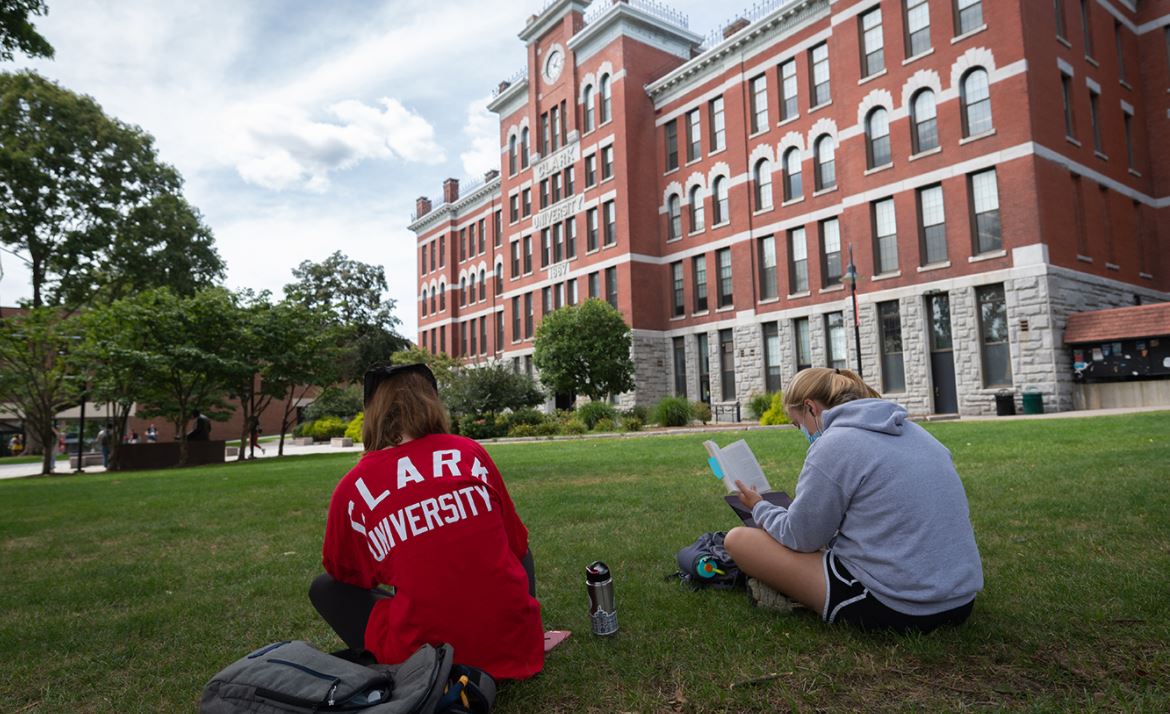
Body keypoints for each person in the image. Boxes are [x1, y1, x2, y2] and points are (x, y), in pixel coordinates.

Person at [310, 363, 543, 680]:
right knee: (517, 548)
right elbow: (517, 546)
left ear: (373, 414)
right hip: (518, 651)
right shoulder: (469, 452)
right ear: (432, 403)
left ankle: (403, 664)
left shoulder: (354, 487)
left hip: (428, 665)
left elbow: (344, 574)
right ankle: (518, 633)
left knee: (325, 588)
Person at [725, 367, 983, 633]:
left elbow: (800, 538)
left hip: (899, 606)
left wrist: (759, 507)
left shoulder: (834, 444)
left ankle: (791, 594)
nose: (800, 431)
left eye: (796, 423)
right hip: (960, 602)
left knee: (738, 540)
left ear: (810, 408)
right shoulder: (916, 432)